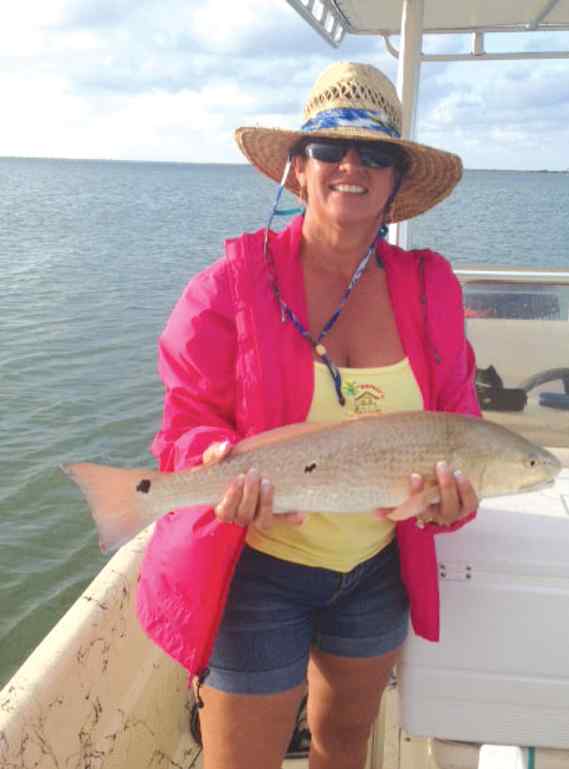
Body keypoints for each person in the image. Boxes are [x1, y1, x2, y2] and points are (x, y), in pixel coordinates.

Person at [136, 61, 480, 769]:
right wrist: (210, 457)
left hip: (376, 569)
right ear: (297, 170)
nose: (351, 164)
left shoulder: (430, 287)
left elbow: (458, 419)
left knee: (342, 747)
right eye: (329, 148)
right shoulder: (227, 285)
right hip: (258, 566)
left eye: (376, 153)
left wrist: (454, 501)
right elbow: (185, 420)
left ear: (393, 183)